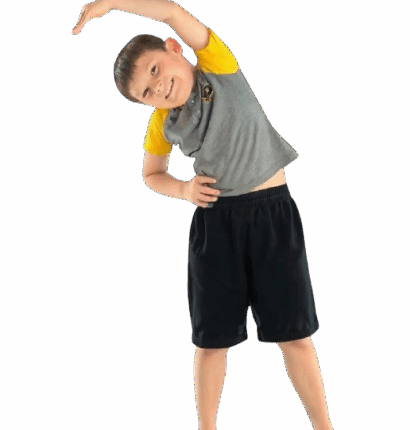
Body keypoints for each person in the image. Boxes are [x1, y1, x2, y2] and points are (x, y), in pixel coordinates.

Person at [72, 2, 333, 429]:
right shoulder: (162, 123)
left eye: (154, 70)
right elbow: (151, 174)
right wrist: (184, 189)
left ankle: (324, 425)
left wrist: (112, 3)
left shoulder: (217, 66)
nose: (158, 87)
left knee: (296, 336)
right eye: (146, 92)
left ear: (174, 49)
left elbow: (171, 10)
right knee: (211, 342)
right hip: (215, 225)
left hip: (272, 214)